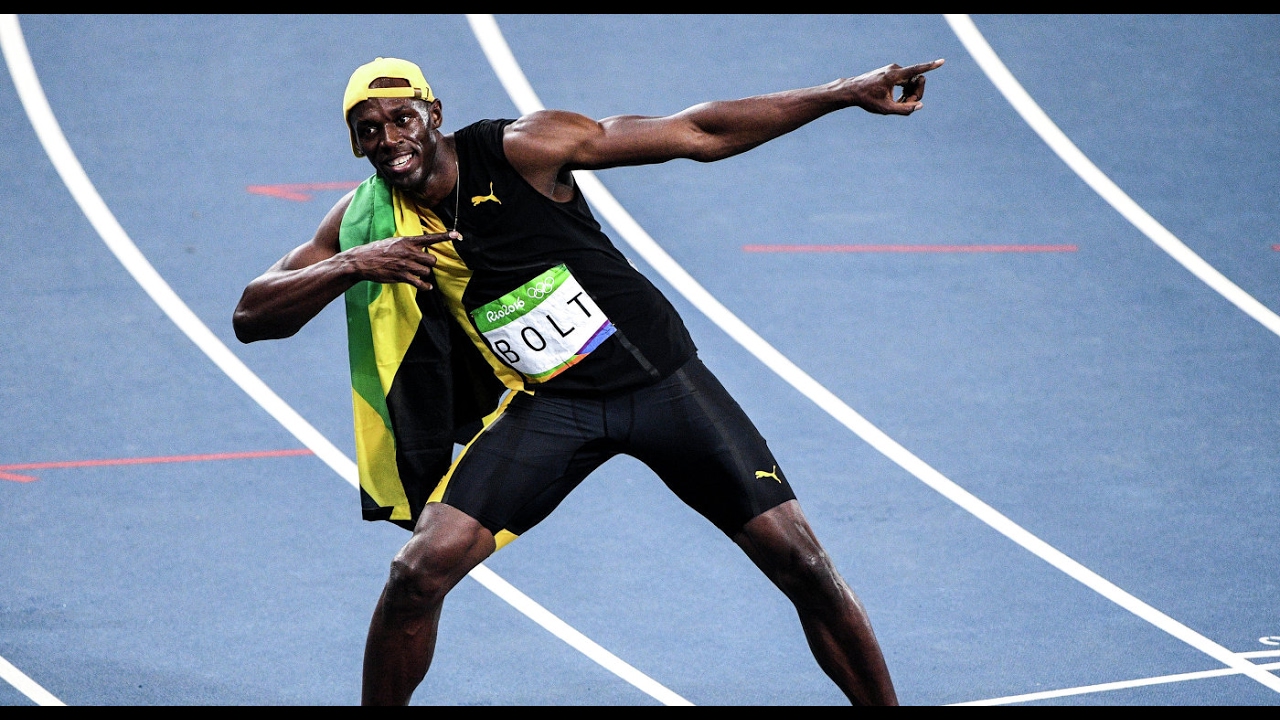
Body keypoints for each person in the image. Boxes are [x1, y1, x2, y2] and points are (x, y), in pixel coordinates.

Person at [233, 53, 943, 706]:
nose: (389, 139)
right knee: (416, 574)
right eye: (369, 130)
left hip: (662, 385)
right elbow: (251, 315)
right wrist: (353, 264)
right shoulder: (366, 220)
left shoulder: (524, 148)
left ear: (435, 114)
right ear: (355, 144)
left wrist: (842, 93)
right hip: (552, 406)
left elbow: (696, 133)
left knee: (805, 564)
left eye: (402, 118)